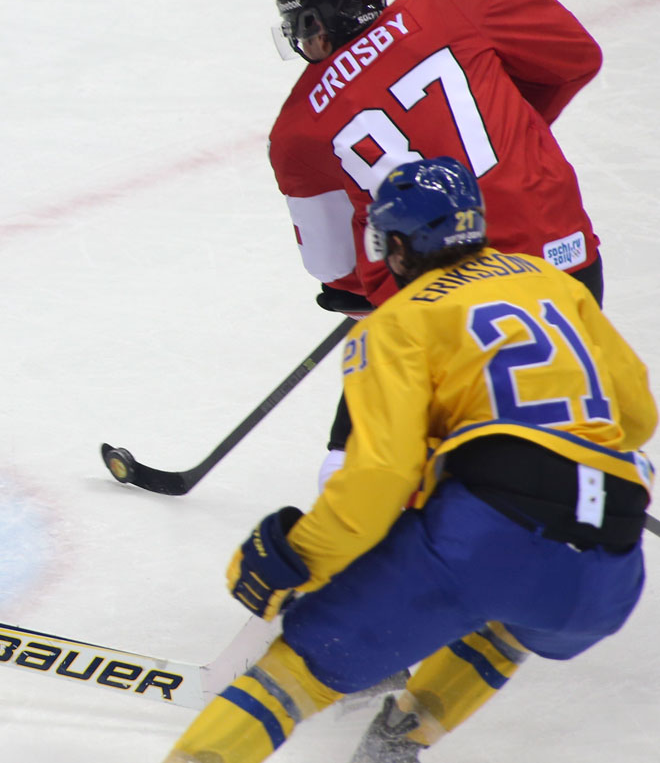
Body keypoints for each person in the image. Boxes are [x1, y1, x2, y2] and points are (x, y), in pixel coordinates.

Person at [163, 158, 655, 763]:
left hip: (488, 537)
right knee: (506, 622)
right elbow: (637, 417)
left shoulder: (395, 325)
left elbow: (379, 477)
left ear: (399, 245)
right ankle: (393, 749)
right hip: (611, 570)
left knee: (292, 675)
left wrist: (299, 557)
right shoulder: (546, 280)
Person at [267, 0, 608, 484]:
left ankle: (357, 496)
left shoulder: (296, 130)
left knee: (388, 456)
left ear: (327, 22)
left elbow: (333, 268)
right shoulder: (450, 2)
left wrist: (364, 291)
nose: (305, 39)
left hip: (442, 310)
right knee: (549, 432)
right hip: (563, 264)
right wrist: (517, 132)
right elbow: (576, 54)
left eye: (306, 25)